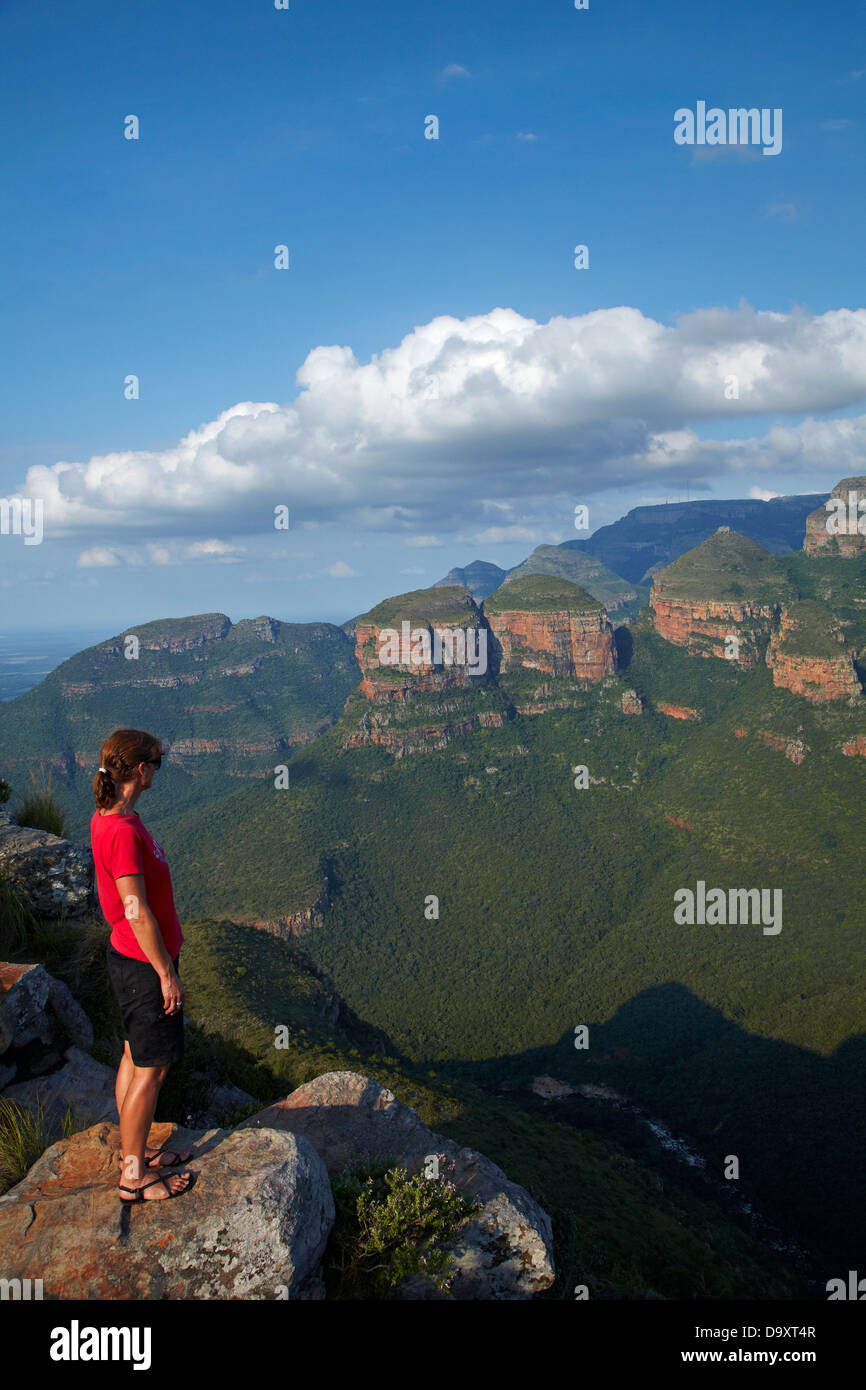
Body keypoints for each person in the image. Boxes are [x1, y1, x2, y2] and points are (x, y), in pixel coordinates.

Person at [90, 728, 192, 1202]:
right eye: (158, 762)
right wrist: (165, 972)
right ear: (142, 770)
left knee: (135, 1055)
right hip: (143, 966)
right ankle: (133, 1178)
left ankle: (137, 1149)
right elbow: (135, 909)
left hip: (128, 959)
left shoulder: (111, 817)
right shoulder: (122, 832)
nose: (159, 770)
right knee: (152, 1069)